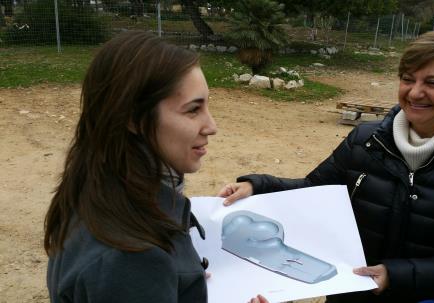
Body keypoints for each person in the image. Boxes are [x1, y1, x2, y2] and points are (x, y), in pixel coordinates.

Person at [219, 31, 434, 303]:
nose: (415, 93)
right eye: (408, 79)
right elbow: (313, 191)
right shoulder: (364, 141)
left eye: (432, 83)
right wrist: (257, 186)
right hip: (350, 294)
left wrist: (396, 275)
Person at [44, 31, 267, 303]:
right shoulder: (132, 258)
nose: (212, 127)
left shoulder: (98, 189)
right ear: (134, 118)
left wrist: (182, 282)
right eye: (193, 110)